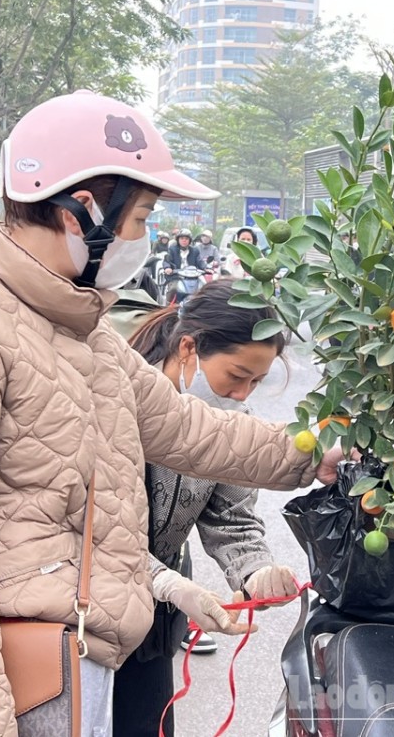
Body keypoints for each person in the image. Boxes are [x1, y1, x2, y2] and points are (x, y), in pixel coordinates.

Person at [0, 90, 341, 737]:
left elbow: (194, 431)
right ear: (82, 210)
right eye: (141, 217)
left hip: (73, 665)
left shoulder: (86, 337)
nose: (146, 238)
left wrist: (321, 452)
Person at [113, 279, 300, 737]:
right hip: (89, 607)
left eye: (256, 382)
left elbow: (231, 517)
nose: (242, 395)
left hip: (154, 622)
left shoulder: (233, 423)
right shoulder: (113, 402)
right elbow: (87, 529)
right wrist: (167, 584)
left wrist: (253, 569)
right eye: (236, 376)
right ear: (188, 347)